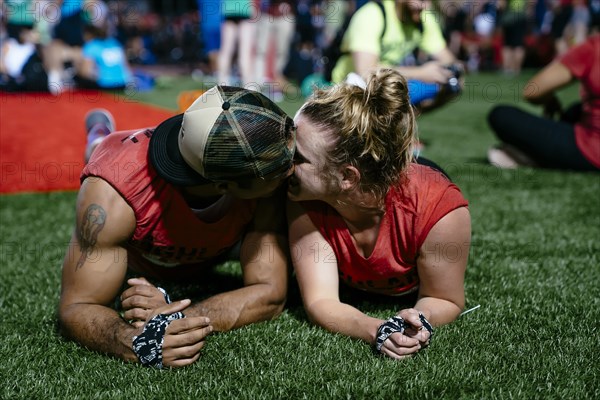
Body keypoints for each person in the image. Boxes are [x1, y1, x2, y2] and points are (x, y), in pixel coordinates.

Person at [59, 85, 296, 369]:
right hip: (131, 198)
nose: (291, 170)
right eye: (278, 168)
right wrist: (137, 342)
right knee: (100, 151)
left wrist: (176, 317)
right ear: (223, 187)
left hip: (217, 242)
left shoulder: (263, 179)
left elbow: (270, 294)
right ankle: (98, 135)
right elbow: (77, 306)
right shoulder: (112, 193)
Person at [286, 68, 471, 359]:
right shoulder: (303, 198)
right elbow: (321, 301)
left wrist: (416, 320)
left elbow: (443, 298)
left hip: (416, 188)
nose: (285, 163)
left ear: (346, 177)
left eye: (298, 157)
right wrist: (378, 328)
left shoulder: (439, 210)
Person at [487, 34, 600, 171]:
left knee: (501, 115)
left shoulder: (594, 46)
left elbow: (533, 91)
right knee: (575, 110)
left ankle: (534, 157)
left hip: (592, 151)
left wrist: (550, 100)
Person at [329, 0, 463, 108]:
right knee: (394, 87)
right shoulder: (373, 14)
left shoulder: (423, 19)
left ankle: (400, 130)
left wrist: (453, 71)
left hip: (387, 84)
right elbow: (366, 71)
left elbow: (447, 58)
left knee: (449, 86)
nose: (426, 6)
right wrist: (421, 73)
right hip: (350, 88)